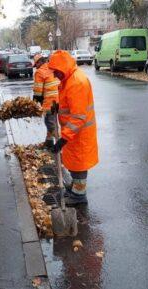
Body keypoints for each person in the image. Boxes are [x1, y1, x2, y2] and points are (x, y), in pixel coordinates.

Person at [47, 50, 98, 206]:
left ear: (63, 67)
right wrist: (57, 105)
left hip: (79, 133)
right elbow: (68, 103)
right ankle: (76, 187)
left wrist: (63, 139)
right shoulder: (69, 78)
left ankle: (79, 195)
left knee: (79, 164)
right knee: (74, 163)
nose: (55, 75)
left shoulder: (77, 82)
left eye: (56, 72)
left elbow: (78, 116)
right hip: (73, 132)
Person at [32, 54, 60, 148]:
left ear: (40, 62)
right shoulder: (52, 68)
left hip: (50, 101)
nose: (36, 67)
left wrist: (35, 102)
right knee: (53, 121)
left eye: (36, 64)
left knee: (50, 122)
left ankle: (59, 143)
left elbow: (38, 91)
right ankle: (49, 142)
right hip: (59, 100)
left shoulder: (39, 72)